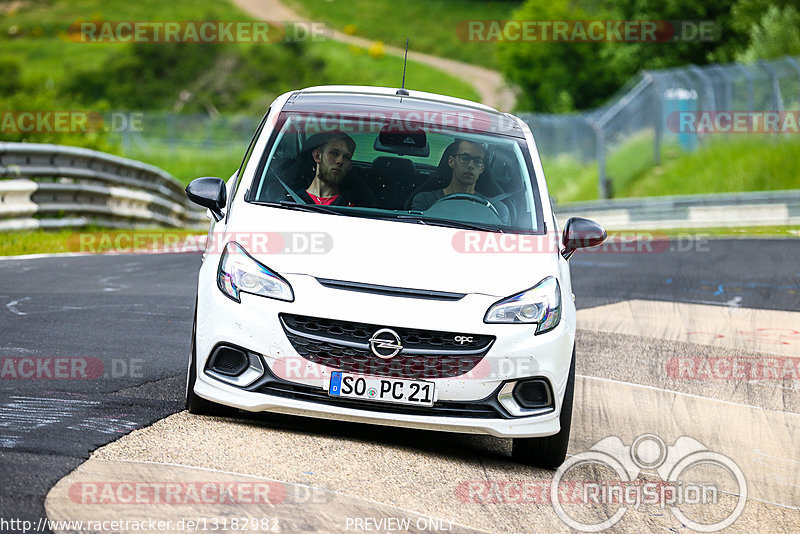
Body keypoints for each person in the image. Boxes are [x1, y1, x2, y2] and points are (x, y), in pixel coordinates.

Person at [411, 139, 509, 223]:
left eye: (477, 161)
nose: (471, 165)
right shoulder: (425, 201)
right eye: (465, 158)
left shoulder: (496, 209)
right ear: (451, 161)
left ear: (482, 168)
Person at [296, 132, 358, 206]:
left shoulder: (353, 206)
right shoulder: (291, 201)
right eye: (334, 153)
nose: (340, 161)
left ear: (349, 166)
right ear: (317, 156)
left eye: (346, 157)